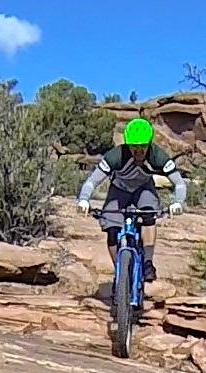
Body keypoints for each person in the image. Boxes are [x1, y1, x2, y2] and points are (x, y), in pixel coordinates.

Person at [77, 117, 187, 282]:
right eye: (134, 147)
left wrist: (178, 202)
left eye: (142, 147)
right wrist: (84, 199)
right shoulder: (115, 156)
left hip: (144, 189)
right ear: (127, 144)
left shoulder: (158, 156)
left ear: (149, 144)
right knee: (112, 229)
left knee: (149, 215)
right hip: (119, 190)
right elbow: (92, 181)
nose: (138, 151)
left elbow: (179, 183)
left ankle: (148, 263)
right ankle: (120, 273)